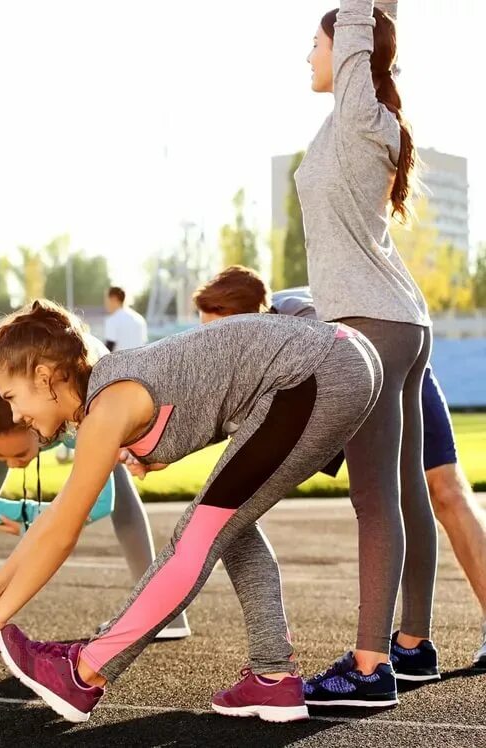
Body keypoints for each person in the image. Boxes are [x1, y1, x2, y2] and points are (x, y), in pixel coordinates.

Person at [0, 300, 381, 724]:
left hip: (320, 367)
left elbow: (64, 529)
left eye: (12, 396)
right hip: (339, 358)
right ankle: (273, 675)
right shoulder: (110, 396)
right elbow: (55, 518)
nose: (15, 414)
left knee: (195, 536)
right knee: (227, 524)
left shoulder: (108, 407)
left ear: (45, 377)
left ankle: (83, 674)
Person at [194, 266, 486, 671]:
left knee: (444, 489)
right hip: (351, 386)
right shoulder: (251, 347)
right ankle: (414, 646)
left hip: (391, 364)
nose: (216, 346)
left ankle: (404, 647)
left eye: (220, 333)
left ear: (252, 319)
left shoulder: (301, 321)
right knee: (389, 494)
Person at [297, 0, 437, 705]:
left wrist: (359, 16)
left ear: (346, 48)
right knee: (406, 486)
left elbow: (362, 36)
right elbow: (379, 40)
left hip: (372, 325)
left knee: (374, 494)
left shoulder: (358, 113)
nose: (309, 56)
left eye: (316, 44)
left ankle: (370, 666)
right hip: (401, 321)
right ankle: (413, 645)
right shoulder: (367, 115)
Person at [0, 373, 191, 642]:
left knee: (122, 492)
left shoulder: (79, 416)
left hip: (85, 409)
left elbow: (101, 502)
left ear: (32, 424)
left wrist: (31, 519)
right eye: (1, 456)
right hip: (23, 419)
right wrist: (27, 514)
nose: (13, 465)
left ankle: (160, 612)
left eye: (20, 456)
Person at [103, 286, 146, 353]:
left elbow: (108, 349)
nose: (105, 303)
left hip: (119, 362)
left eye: (106, 299)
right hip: (139, 361)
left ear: (114, 298)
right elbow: (144, 344)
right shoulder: (140, 319)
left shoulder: (112, 320)